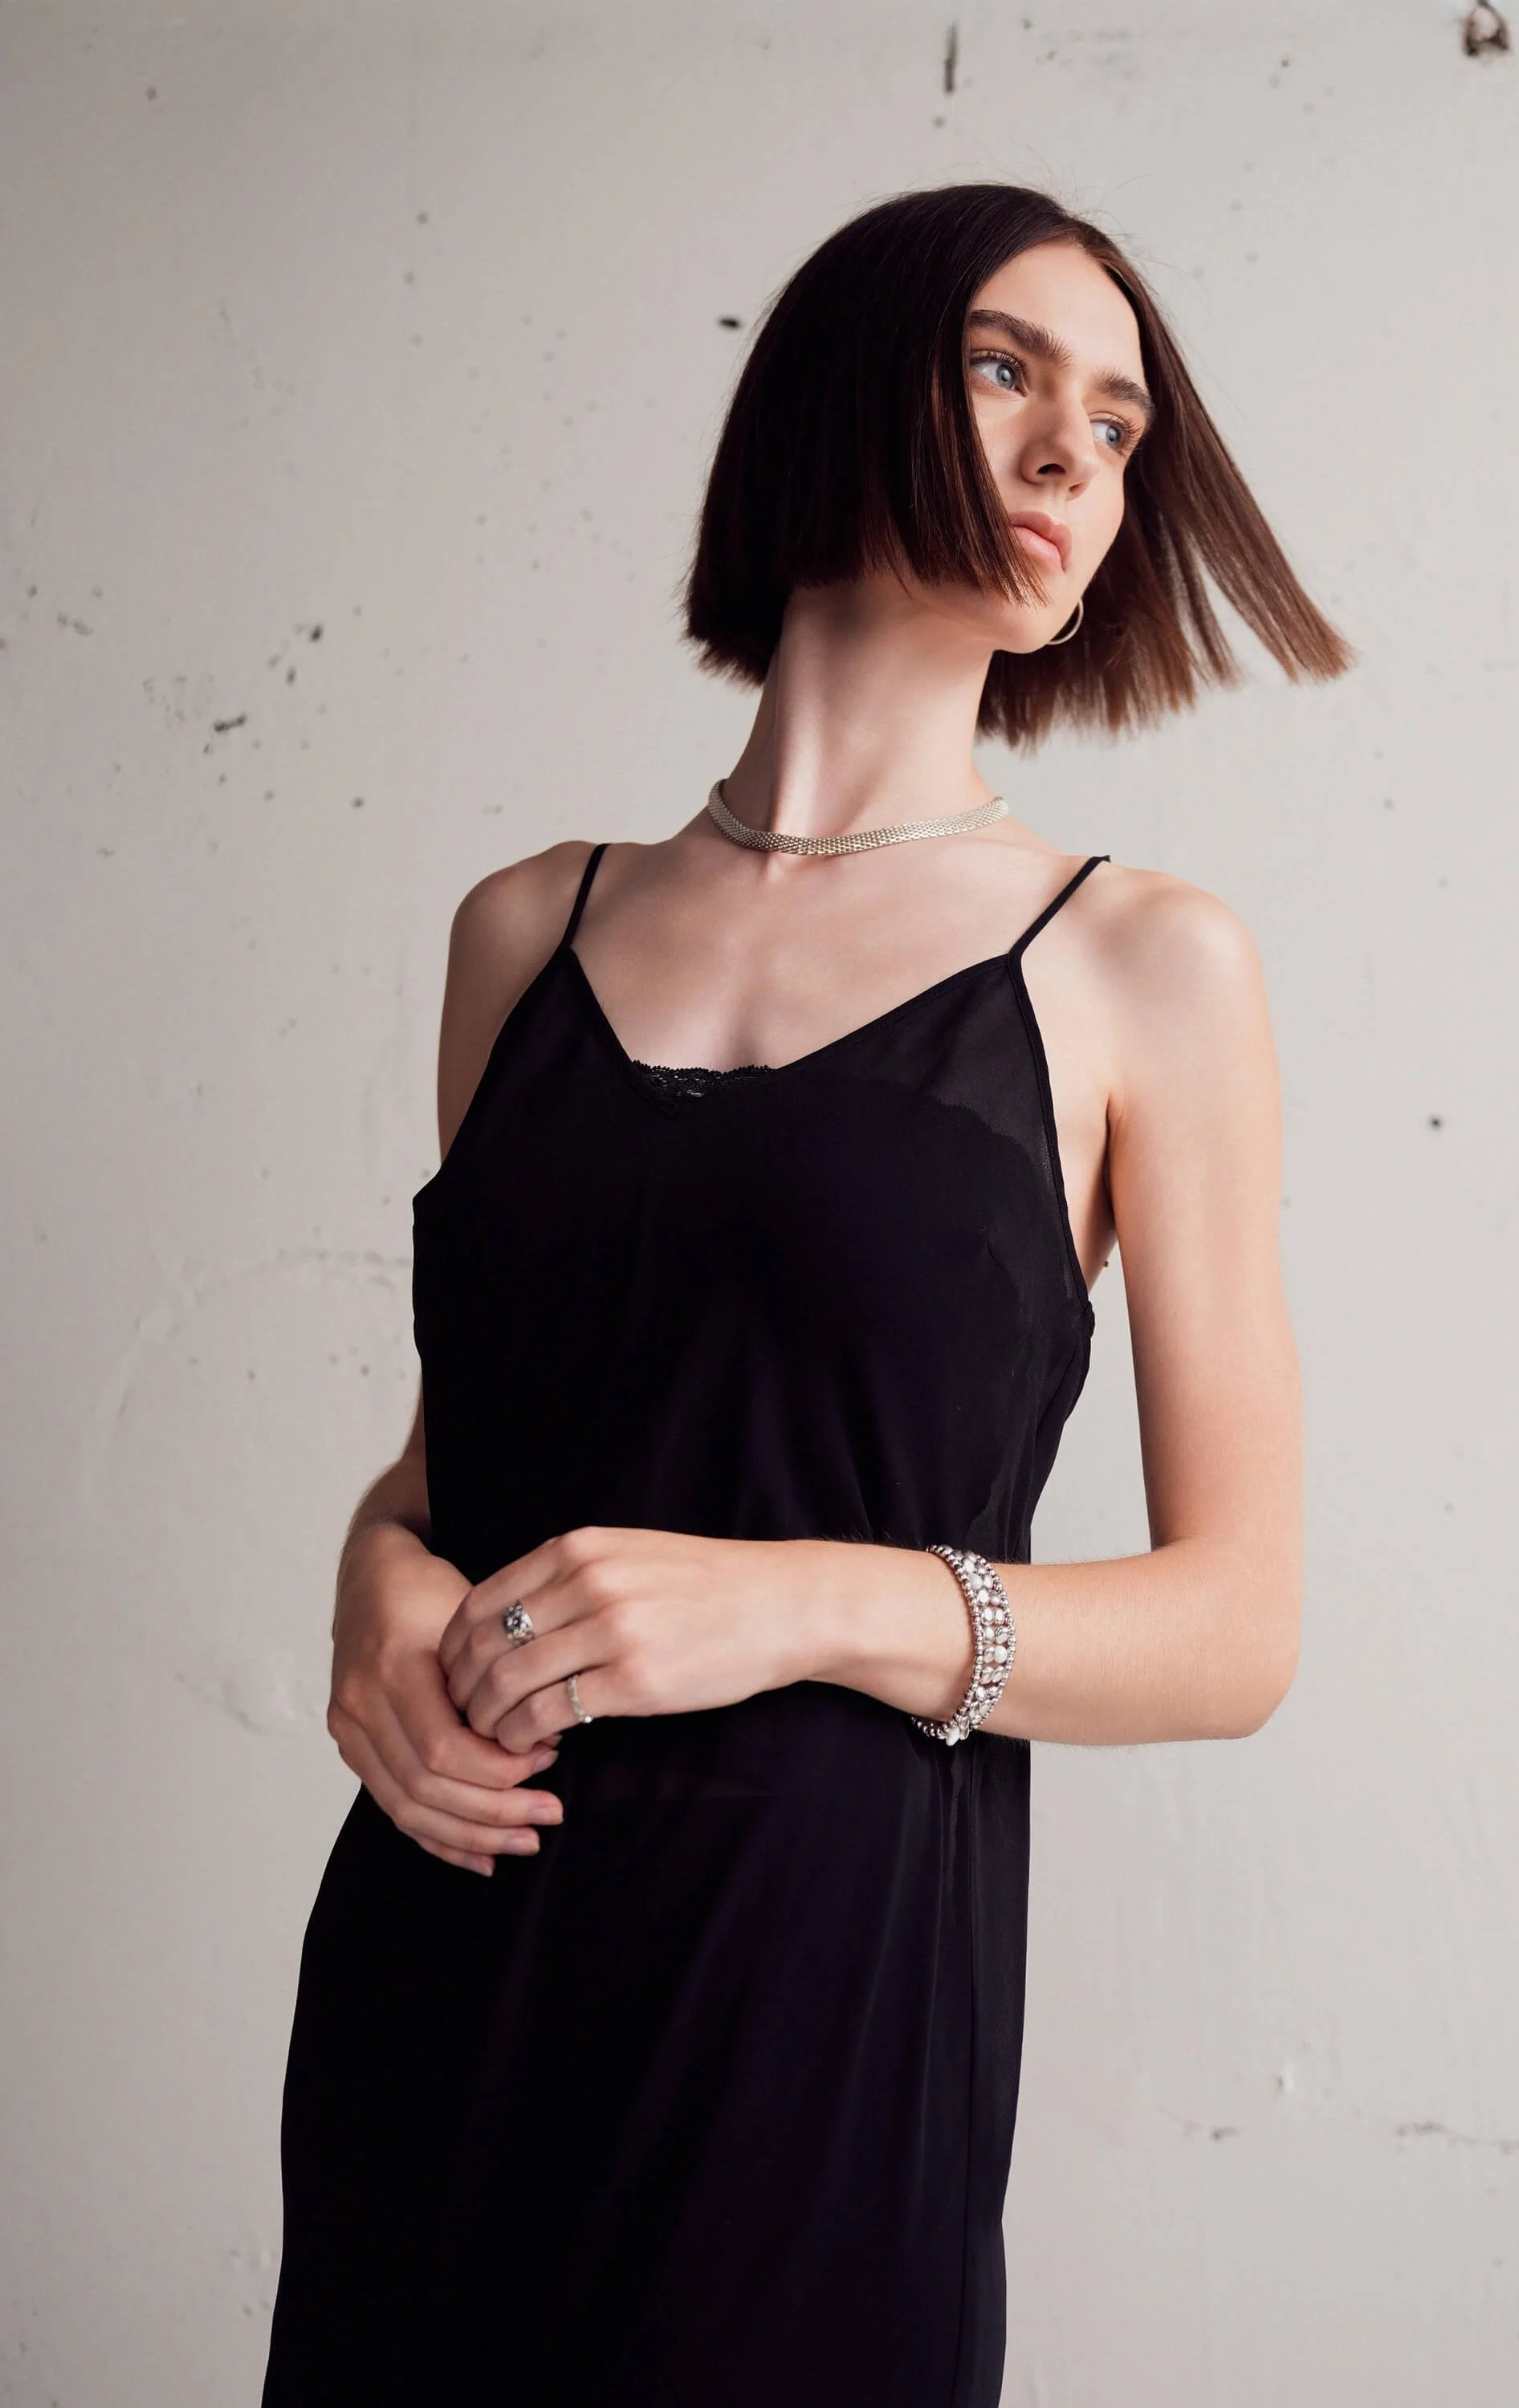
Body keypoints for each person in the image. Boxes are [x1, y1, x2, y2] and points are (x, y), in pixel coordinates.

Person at [262, 181, 1352, 2407]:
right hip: (452, 1941)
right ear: (845, 387)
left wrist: (796, 1606)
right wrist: (374, 1587)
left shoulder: (1143, 965)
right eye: (1005, 369)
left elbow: (1240, 1625)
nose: (1069, 459)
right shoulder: (523, 932)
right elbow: (455, 1465)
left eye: (1118, 426)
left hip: (823, 2000)